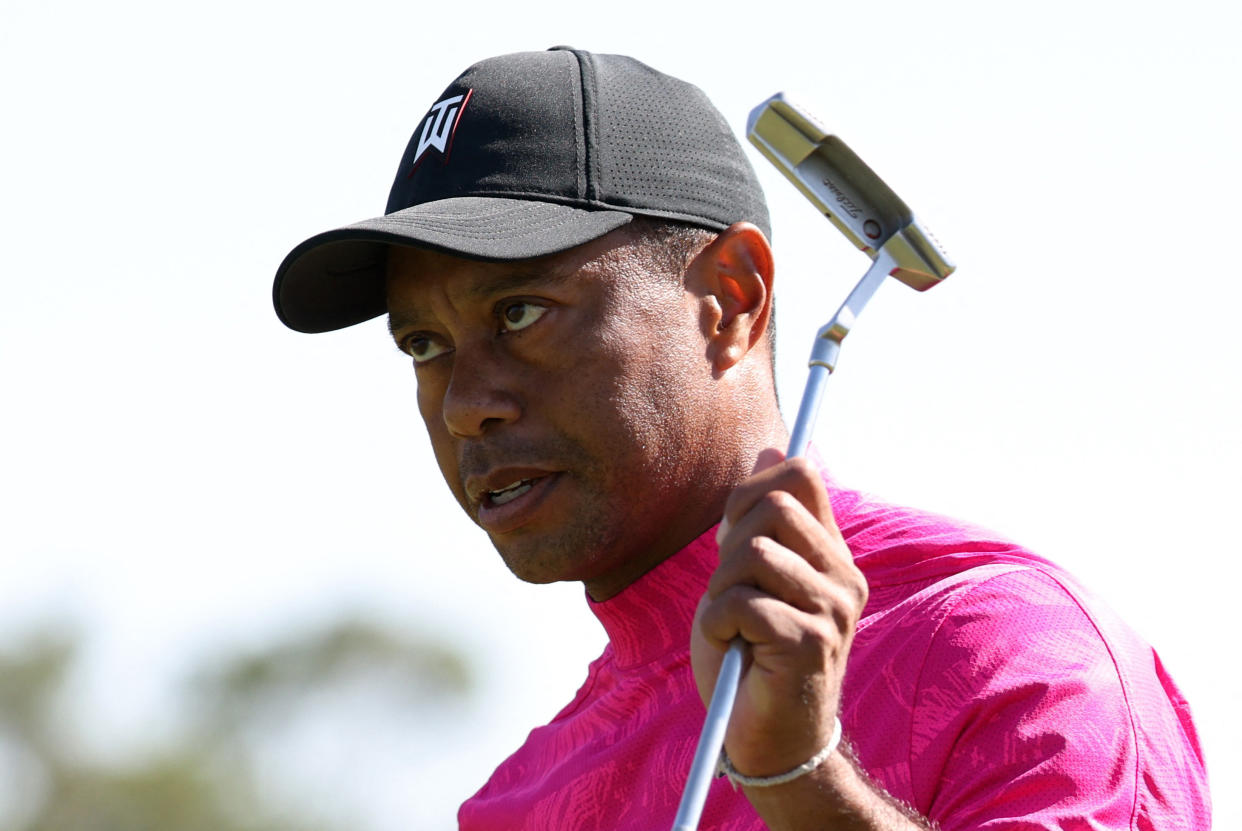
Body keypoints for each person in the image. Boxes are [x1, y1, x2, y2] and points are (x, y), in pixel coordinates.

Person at [272, 47, 1210, 830]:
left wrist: (800, 776)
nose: (464, 404)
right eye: (424, 345)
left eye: (522, 311)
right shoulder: (518, 801)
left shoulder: (1008, 652)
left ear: (731, 299)